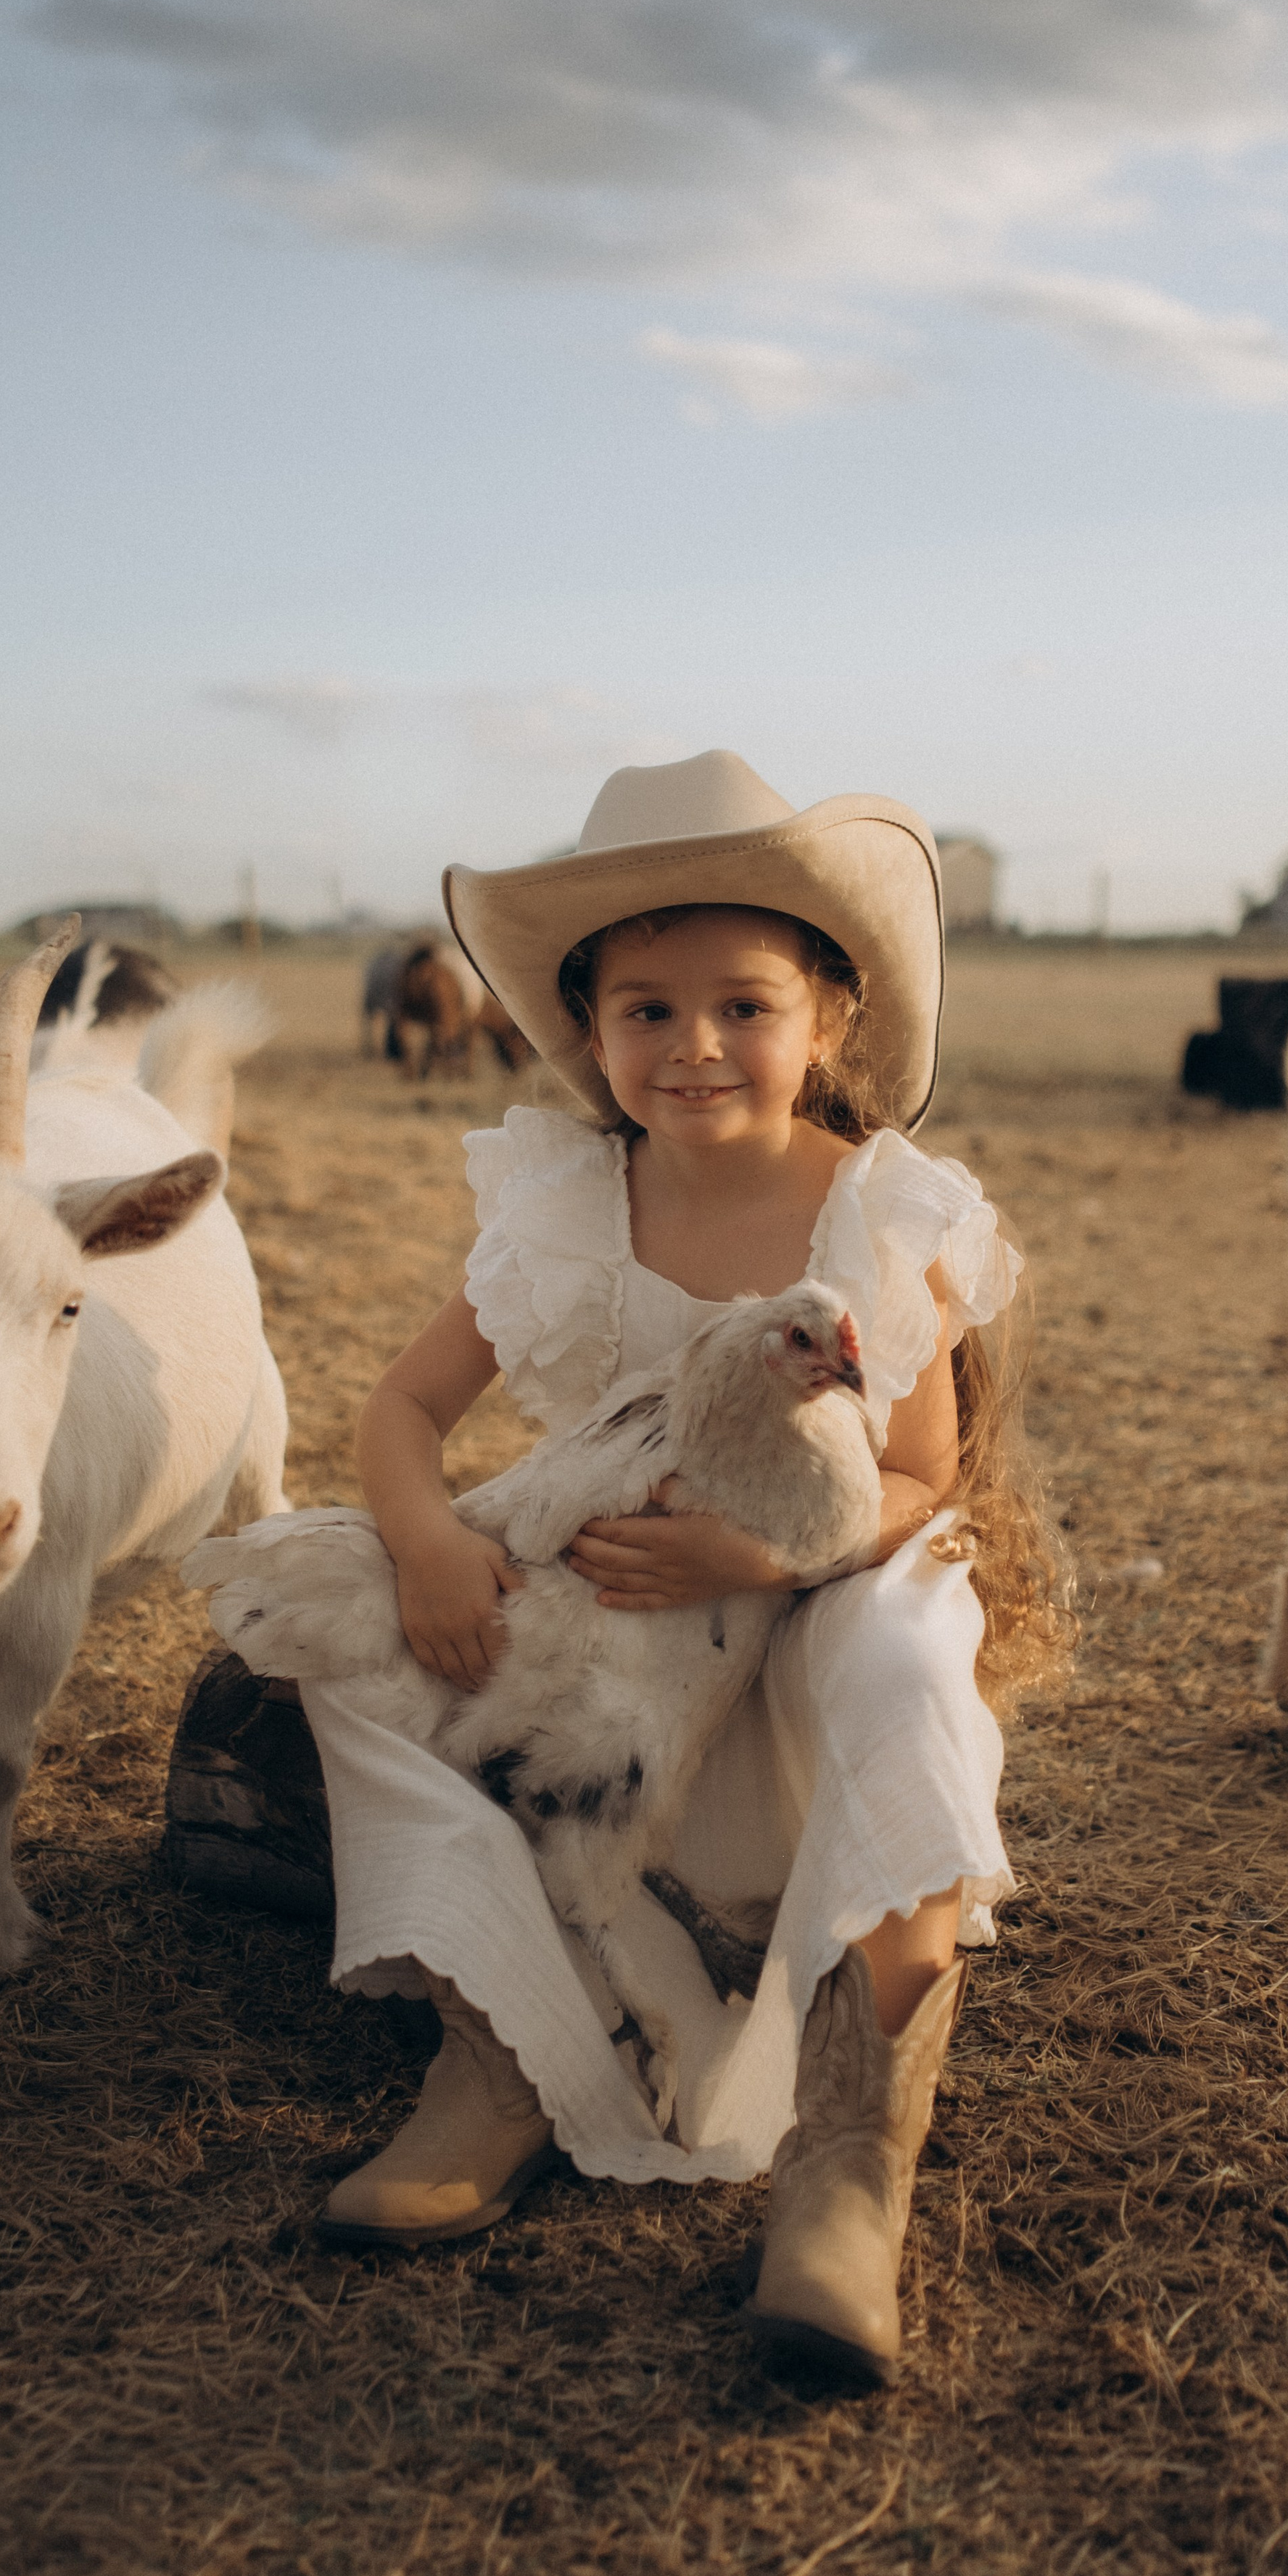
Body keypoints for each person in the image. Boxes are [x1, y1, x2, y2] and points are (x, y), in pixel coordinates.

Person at [235, 751, 1071, 2386]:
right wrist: (423, 1545)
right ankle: (504, 2053)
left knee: (911, 1663)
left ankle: (847, 2162)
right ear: (587, 1032)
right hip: (604, 1638)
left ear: (826, 1018)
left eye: (741, 1007)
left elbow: (917, 1481)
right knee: (346, 1644)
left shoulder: (881, 1213)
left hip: (816, 1590)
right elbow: (406, 1407)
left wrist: (755, 1547)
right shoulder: (564, 1205)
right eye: (645, 1012)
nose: (692, 1049)